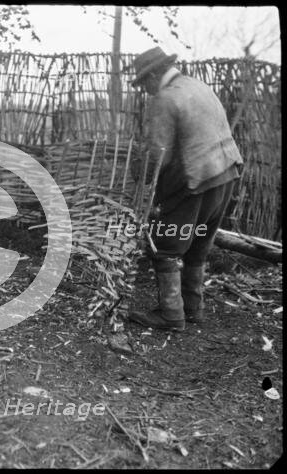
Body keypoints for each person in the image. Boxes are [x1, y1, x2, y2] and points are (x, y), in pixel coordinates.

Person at [128, 47, 243, 331]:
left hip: (195, 180)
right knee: (198, 245)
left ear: (155, 74)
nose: (145, 89)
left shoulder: (165, 99)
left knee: (165, 247)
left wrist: (138, 172)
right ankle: (193, 308)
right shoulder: (199, 87)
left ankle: (171, 314)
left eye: (144, 82)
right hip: (226, 173)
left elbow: (159, 154)